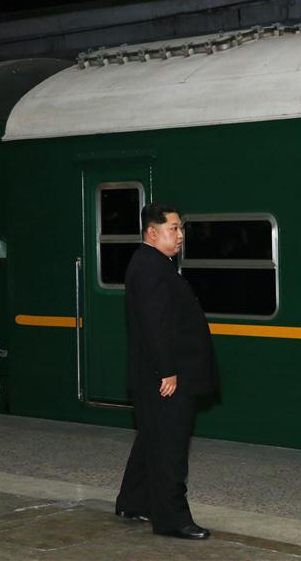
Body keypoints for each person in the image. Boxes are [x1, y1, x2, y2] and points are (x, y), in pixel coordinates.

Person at [115, 203, 219, 539]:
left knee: (152, 439)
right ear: (152, 232)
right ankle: (173, 519)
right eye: (173, 228)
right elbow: (154, 325)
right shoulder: (149, 267)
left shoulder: (154, 263)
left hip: (160, 372)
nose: (180, 235)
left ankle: (133, 501)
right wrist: (168, 371)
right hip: (165, 376)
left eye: (180, 228)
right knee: (171, 447)